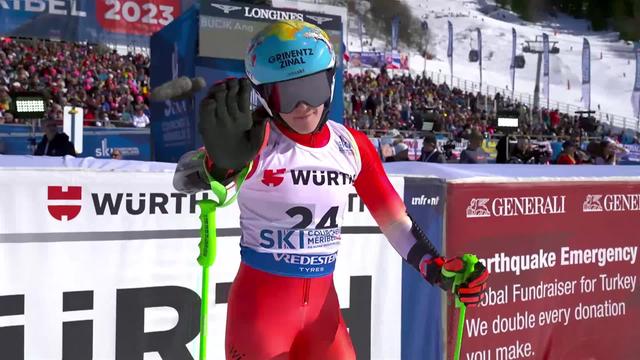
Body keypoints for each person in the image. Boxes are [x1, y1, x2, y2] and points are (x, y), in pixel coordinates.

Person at [172, 20, 488, 359]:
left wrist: (437, 268)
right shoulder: (255, 140)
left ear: (332, 82)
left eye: (313, 88)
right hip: (261, 316)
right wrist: (218, 165)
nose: (303, 106)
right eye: (286, 95)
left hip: (324, 316)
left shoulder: (350, 145)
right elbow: (183, 180)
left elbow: (395, 222)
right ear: (263, 96)